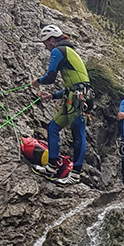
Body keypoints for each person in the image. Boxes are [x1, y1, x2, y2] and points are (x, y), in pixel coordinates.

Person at [30, 24, 91, 185]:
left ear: (51, 40)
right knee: (53, 126)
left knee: (78, 134)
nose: (46, 48)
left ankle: (75, 174)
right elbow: (75, 83)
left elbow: (50, 76)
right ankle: (52, 166)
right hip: (76, 95)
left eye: (45, 44)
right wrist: (53, 96)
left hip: (77, 97)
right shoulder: (69, 51)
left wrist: (38, 82)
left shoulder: (58, 50)